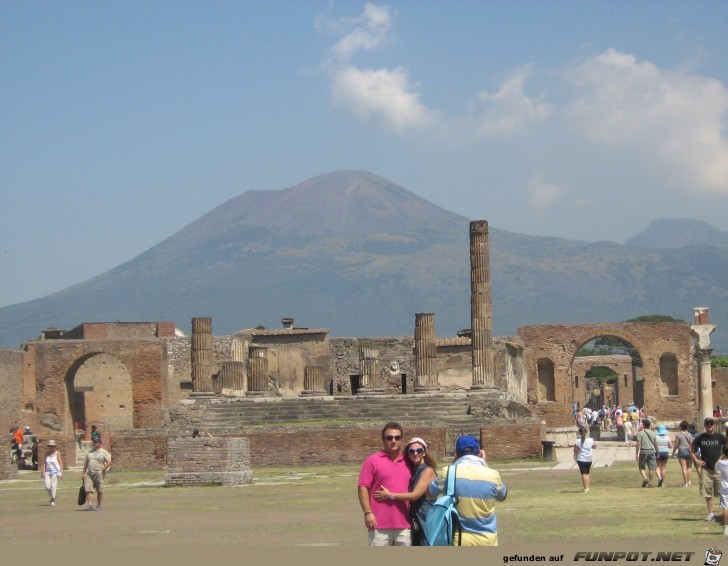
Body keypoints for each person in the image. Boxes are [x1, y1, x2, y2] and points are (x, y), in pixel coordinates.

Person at [429, 435, 507, 546]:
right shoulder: (493, 475)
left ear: (456, 454)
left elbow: (430, 493)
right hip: (487, 539)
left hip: (458, 538)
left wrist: (452, 466)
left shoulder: (447, 472)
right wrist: (485, 465)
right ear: (479, 453)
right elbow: (502, 496)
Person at [374, 437, 437, 545]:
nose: (415, 453)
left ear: (425, 452)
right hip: (415, 517)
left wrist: (390, 495)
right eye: (411, 451)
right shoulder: (413, 469)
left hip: (426, 517)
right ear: (408, 454)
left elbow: (415, 496)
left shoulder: (428, 471)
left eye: (419, 450)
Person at [357, 422, 412, 546]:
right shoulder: (372, 461)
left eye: (397, 437)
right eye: (389, 438)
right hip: (379, 525)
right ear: (383, 439)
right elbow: (363, 488)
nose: (393, 441)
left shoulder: (408, 461)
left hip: (404, 524)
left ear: (401, 440)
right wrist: (367, 513)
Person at [691, 417, 727, 522]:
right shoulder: (700, 438)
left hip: (719, 469)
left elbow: (726, 450)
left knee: (722, 491)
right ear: (705, 425)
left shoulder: (720, 437)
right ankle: (710, 513)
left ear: (713, 425)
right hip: (706, 469)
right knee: (707, 492)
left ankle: (724, 512)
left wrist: (720, 459)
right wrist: (697, 461)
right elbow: (691, 449)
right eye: (707, 424)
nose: (709, 426)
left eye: (711, 424)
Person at [82, 437, 112, 511]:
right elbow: (86, 463)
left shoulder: (103, 452)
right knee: (88, 489)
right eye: (94, 442)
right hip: (90, 473)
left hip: (99, 473)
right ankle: (89, 505)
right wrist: (83, 473)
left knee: (99, 490)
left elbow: (109, 462)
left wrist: (102, 470)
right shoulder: (90, 451)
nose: (94, 443)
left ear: (100, 443)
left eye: (96, 442)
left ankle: (99, 505)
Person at [573, 426, 596, 493]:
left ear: (579, 432)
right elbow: (594, 446)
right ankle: (587, 487)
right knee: (587, 473)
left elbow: (575, 451)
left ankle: (585, 488)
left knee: (583, 473)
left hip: (581, 459)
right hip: (589, 459)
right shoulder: (591, 440)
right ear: (586, 432)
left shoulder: (578, 441)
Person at [40, 439, 63, 507]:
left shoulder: (57, 453)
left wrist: (61, 472)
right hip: (47, 471)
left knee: (53, 486)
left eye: (52, 446)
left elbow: (60, 463)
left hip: (55, 471)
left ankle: (52, 500)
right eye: (49, 446)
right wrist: (43, 472)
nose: (51, 447)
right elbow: (44, 463)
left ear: (54, 447)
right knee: (47, 486)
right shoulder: (47, 453)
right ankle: (53, 495)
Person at [636, 419, 658, 487]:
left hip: (643, 451)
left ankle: (645, 478)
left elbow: (638, 444)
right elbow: (656, 444)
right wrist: (657, 451)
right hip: (651, 450)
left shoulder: (640, 433)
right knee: (652, 467)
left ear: (644, 425)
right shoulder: (653, 433)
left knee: (642, 467)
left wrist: (637, 453)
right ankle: (650, 482)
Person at [672, 420, 693, 487]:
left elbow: (676, 444)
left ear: (681, 427)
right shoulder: (689, 434)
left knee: (684, 467)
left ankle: (686, 483)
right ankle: (689, 481)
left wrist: (673, 452)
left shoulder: (678, 434)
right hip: (688, 450)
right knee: (688, 467)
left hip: (681, 450)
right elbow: (691, 444)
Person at [715, 444, 728, 536]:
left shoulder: (721, 463)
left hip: (724, 487)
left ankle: (726, 528)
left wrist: (721, 456)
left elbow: (716, 467)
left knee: (725, 508)